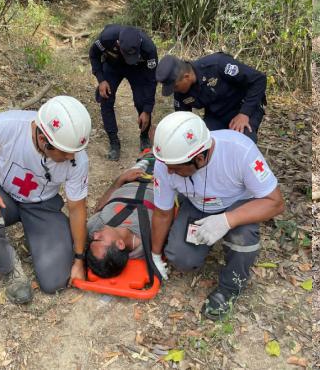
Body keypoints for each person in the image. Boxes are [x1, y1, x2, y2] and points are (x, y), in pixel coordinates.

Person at [0, 95, 92, 304]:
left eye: (75, 152)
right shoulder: (10, 124)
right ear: (44, 140)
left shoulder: (78, 160)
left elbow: (77, 209)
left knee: (55, 281)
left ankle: (35, 237)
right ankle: (11, 269)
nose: (71, 157)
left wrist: (79, 259)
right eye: (65, 152)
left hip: (43, 205)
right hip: (3, 193)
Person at [149, 112, 285, 319]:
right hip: (196, 204)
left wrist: (227, 220)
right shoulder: (167, 162)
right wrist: (155, 255)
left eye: (176, 169)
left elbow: (275, 202)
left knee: (243, 237)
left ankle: (230, 288)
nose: (168, 172)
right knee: (181, 258)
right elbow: (161, 212)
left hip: (237, 204)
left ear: (200, 158)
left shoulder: (240, 150)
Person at [155, 53, 267, 143]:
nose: (175, 91)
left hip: (245, 105)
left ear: (186, 77)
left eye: (175, 87)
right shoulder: (180, 93)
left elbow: (259, 80)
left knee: (243, 142)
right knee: (203, 144)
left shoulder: (217, 64)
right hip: (217, 114)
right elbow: (184, 121)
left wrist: (244, 113)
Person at [90, 24, 159, 161]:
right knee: (106, 98)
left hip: (137, 70)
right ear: (118, 43)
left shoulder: (149, 48)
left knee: (142, 100)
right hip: (113, 67)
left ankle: (144, 136)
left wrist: (147, 109)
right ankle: (114, 142)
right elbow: (93, 55)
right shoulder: (106, 38)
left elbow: (151, 81)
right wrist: (101, 79)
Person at [85, 154, 156, 278]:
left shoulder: (95, 226)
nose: (95, 234)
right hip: (161, 183)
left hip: (132, 178)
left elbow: (101, 206)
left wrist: (121, 180)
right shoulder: (150, 238)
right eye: (98, 239)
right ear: (120, 244)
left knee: (150, 156)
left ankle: (148, 155)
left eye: (93, 239)